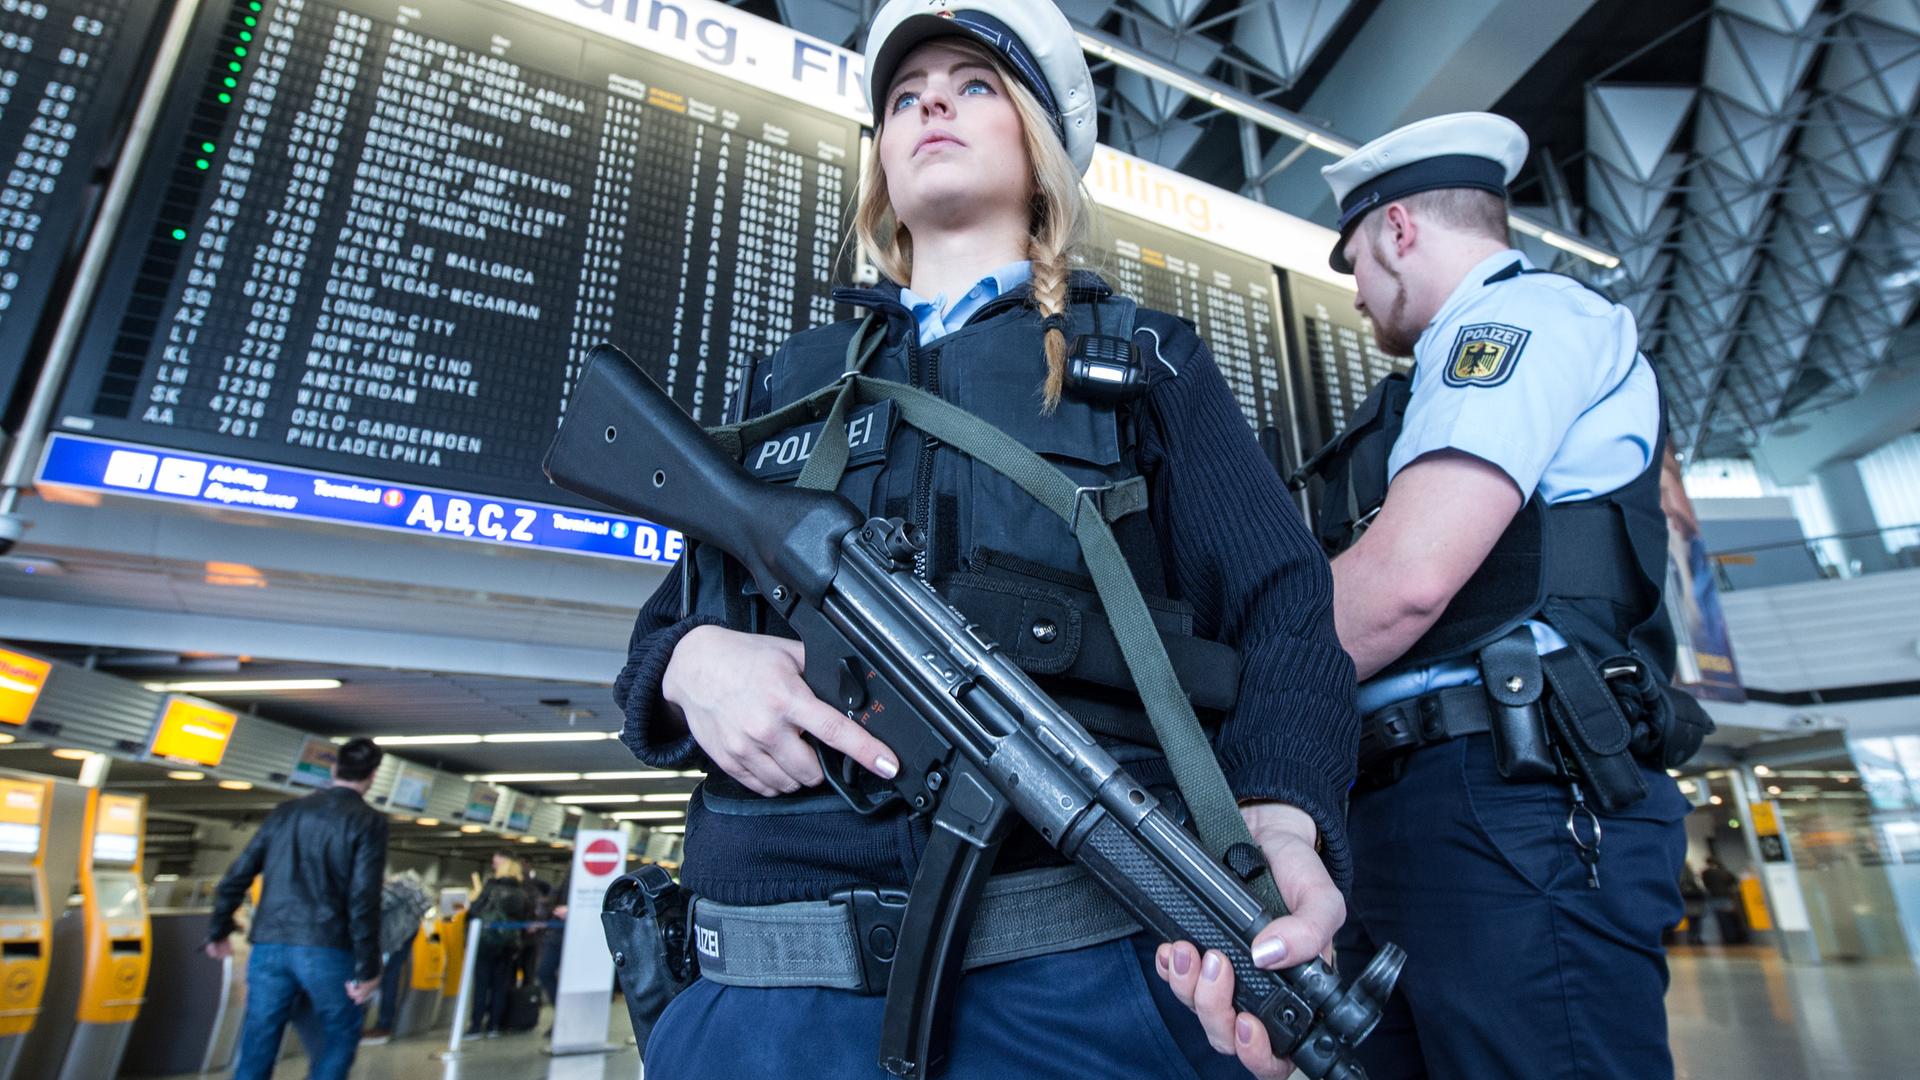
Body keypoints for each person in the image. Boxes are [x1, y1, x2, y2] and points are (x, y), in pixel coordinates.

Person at [610, 2, 1356, 1077]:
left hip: (1074, 979)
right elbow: (666, 629)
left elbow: (1283, 602)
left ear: (1040, 145)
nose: (930, 110)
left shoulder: (1144, 357)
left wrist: (1281, 817)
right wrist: (690, 664)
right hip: (763, 992)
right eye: (905, 100)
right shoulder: (791, 381)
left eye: (972, 88)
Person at [1297, 112, 1712, 1079]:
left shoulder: (1514, 323)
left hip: (1513, 799)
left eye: (1354, 258)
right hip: (1433, 800)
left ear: (1399, 229)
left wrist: (1232, 695)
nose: (1356, 297)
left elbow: (1405, 584)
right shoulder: (1441, 369)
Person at [208, 738, 389, 1080]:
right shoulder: (368, 821)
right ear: (373, 776)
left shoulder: (285, 813)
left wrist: (218, 930)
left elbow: (237, 874)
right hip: (329, 947)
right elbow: (364, 897)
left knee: (259, 1035)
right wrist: (368, 967)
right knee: (339, 1034)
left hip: (269, 945)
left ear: (334, 769)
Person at [467, 852, 533, 1037]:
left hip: (486, 942)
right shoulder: (522, 892)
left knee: (481, 985)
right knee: (500, 985)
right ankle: (494, 1025)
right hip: (509, 945)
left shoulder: (490, 887)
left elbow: (475, 910)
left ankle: (475, 1026)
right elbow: (527, 919)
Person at [362, 869, 432, 1044]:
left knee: (387, 978)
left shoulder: (388, 892)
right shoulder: (406, 887)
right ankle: (382, 1025)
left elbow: (370, 909)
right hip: (406, 934)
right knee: (389, 977)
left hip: (395, 938)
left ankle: (382, 1026)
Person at [1701, 856, 1746, 944]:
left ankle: (1721, 938)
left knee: (1717, 919)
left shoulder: (1706, 873)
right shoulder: (1724, 871)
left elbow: (1706, 884)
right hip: (1726, 897)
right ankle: (1733, 937)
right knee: (1729, 918)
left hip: (1714, 897)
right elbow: (1734, 881)